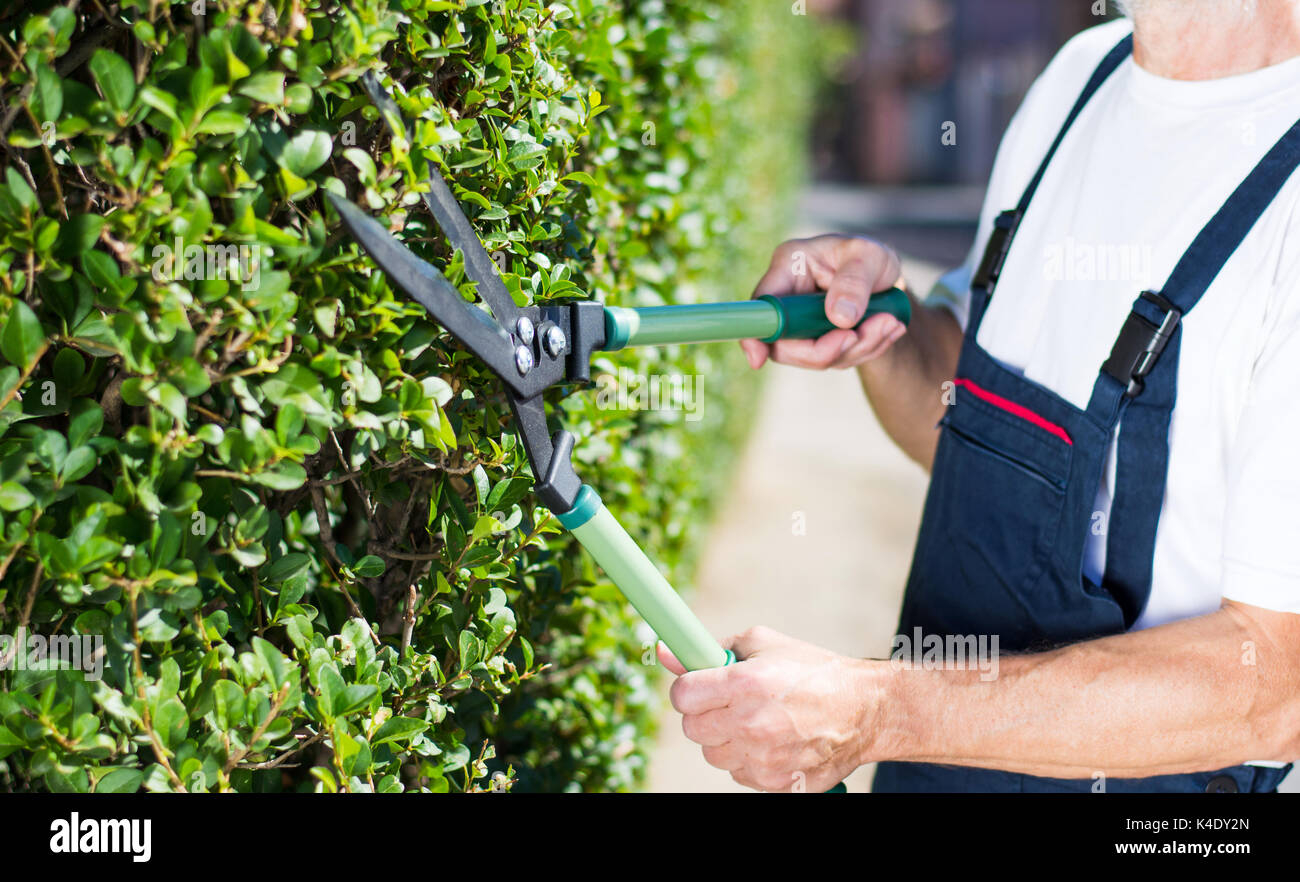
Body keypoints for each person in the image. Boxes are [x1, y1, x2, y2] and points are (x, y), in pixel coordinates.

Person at [661, 1, 1300, 792]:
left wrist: (879, 709)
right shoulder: (1079, 79)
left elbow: (1275, 686)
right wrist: (883, 328)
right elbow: (970, 430)